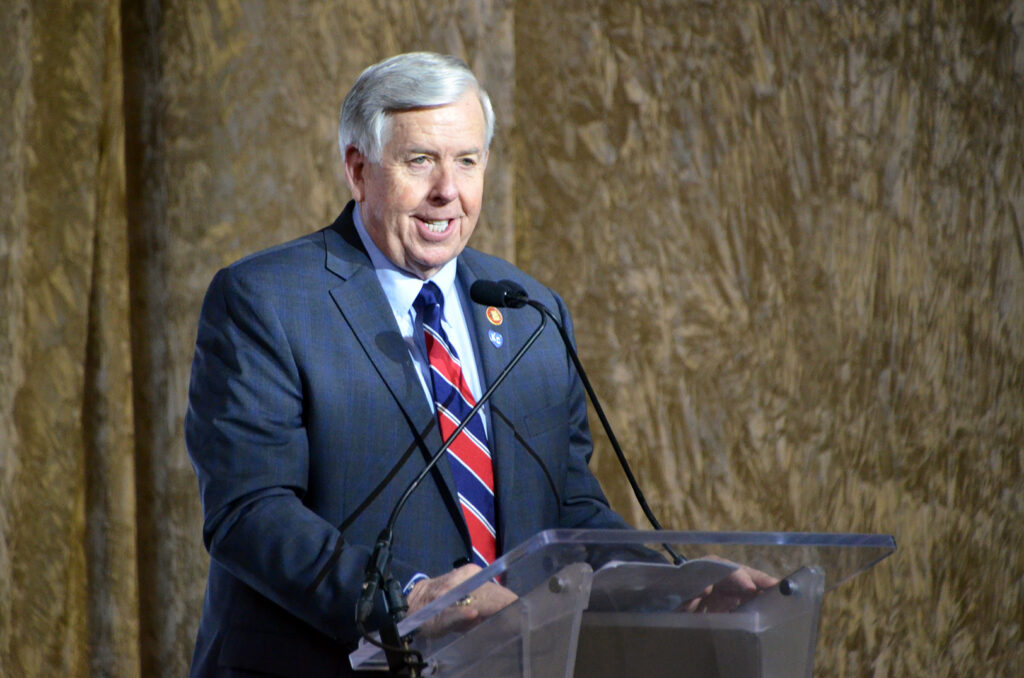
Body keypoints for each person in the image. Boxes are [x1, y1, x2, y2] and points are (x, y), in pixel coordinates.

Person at [184, 52, 634, 677]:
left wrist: (676, 588)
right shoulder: (266, 300)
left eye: (467, 161)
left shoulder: (530, 310)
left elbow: (569, 506)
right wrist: (410, 598)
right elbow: (251, 511)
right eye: (420, 160)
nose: (447, 190)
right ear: (358, 169)